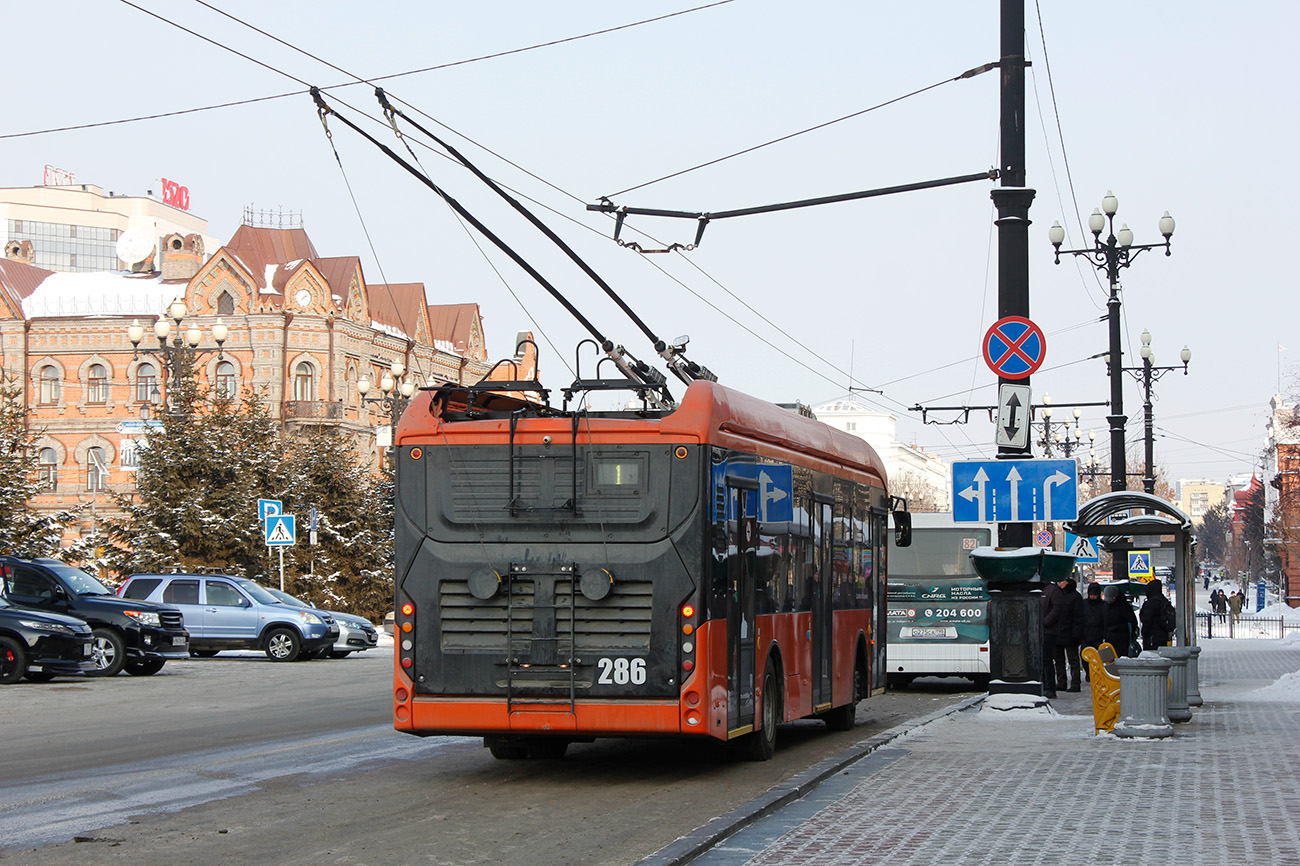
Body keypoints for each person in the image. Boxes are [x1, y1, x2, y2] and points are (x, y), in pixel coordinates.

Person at [1053, 576, 1084, 692]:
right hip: (1058, 632)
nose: (1059, 583)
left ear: (1067, 582)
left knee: (1073, 660)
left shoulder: (1075, 596)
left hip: (1070, 633)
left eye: (1061, 581)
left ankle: (1075, 683)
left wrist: (1076, 634)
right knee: (1058, 660)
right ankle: (1062, 682)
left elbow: (1079, 617)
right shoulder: (1058, 594)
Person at [1040, 572, 1066, 698]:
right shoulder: (1041, 590)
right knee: (1042, 660)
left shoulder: (1052, 591)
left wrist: (1045, 622)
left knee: (1046, 660)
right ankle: (1044, 686)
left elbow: (1057, 608)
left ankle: (1049, 687)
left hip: (1048, 631)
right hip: (1041, 630)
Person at [1101, 584, 1139, 657]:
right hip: (1109, 639)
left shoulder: (1124, 607)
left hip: (1122, 640)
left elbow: (1132, 623)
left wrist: (1119, 627)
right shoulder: (1105, 606)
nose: (1109, 602)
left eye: (1111, 599)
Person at [1139, 580, 1175, 651]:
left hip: (1151, 639)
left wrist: (1144, 634)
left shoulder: (1150, 604)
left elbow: (1146, 620)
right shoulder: (1164, 601)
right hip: (1163, 638)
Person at [1080, 582, 1106, 681]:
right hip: (1086, 634)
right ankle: (1088, 672)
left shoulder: (1103, 605)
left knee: (1098, 657)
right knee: (1084, 656)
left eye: (1095, 595)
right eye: (1091, 594)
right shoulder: (1084, 604)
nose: (1093, 597)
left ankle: (1096, 672)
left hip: (1098, 635)